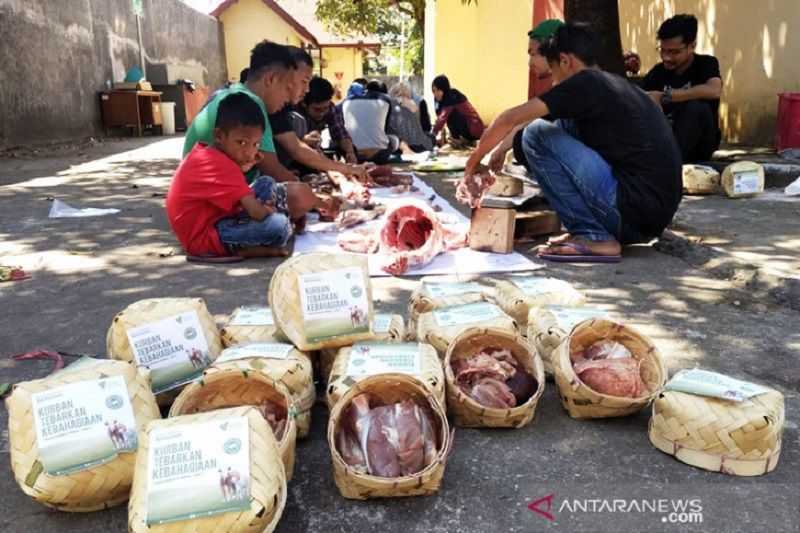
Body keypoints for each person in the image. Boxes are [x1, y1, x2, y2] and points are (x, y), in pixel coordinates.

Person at [461, 24, 682, 262]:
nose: (555, 81)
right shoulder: (614, 85)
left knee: (535, 135)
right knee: (559, 125)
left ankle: (594, 236)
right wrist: (503, 149)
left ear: (566, 61)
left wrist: (471, 166)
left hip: (631, 212)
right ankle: (590, 231)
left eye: (554, 70)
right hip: (651, 215)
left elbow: (509, 118)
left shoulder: (585, 83)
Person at [167, 93, 323, 261]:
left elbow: (234, 193)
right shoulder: (223, 166)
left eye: (255, 144)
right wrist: (269, 212)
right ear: (219, 136)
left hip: (211, 219)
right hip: (204, 238)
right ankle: (243, 249)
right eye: (241, 143)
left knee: (266, 182)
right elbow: (257, 213)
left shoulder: (208, 153)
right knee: (280, 226)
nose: (249, 152)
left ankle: (249, 239)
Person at [182, 40, 298, 184]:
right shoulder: (251, 104)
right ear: (271, 79)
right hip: (213, 196)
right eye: (287, 88)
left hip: (198, 188)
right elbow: (274, 171)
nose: (288, 98)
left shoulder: (228, 93)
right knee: (297, 195)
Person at [268, 48, 367, 180]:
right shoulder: (285, 109)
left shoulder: (330, 109)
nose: (306, 89)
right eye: (303, 82)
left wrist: (349, 154)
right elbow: (294, 149)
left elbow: (340, 133)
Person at [643, 14, 722, 163]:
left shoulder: (706, 64)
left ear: (692, 46)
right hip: (666, 140)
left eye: (674, 52)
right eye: (662, 50)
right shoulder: (657, 72)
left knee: (696, 108)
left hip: (699, 145)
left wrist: (666, 96)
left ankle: (669, 164)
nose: (666, 57)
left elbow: (714, 90)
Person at [488, 19, 564, 173]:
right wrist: (500, 150)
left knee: (528, 138)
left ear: (551, 52)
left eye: (533, 54)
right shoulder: (558, 88)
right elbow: (527, 119)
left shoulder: (572, 89)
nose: (529, 63)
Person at [297, 77, 360, 163]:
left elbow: (340, 134)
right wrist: (303, 141)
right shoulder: (294, 112)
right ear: (304, 104)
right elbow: (288, 144)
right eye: (317, 109)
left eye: (325, 108)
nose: (322, 113)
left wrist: (350, 152)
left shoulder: (331, 108)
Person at [342, 80, 400, 164]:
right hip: (378, 155)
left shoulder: (346, 101)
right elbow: (387, 128)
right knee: (395, 138)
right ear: (385, 92)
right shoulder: (387, 100)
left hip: (351, 154)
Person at [431, 75, 485, 148]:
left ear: (444, 89)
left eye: (438, 90)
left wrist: (432, 135)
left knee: (452, 114)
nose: (435, 93)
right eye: (433, 91)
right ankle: (462, 141)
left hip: (474, 129)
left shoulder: (452, 96)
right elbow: (439, 118)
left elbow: (442, 118)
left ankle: (466, 141)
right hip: (465, 129)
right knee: (449, 117)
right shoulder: (438, 100)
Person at [388, 81, 433, 152]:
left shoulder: (388, 104)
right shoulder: (418, 102)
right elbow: (426, 127)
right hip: (414, 144)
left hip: (395, 144)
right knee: (430, 137)